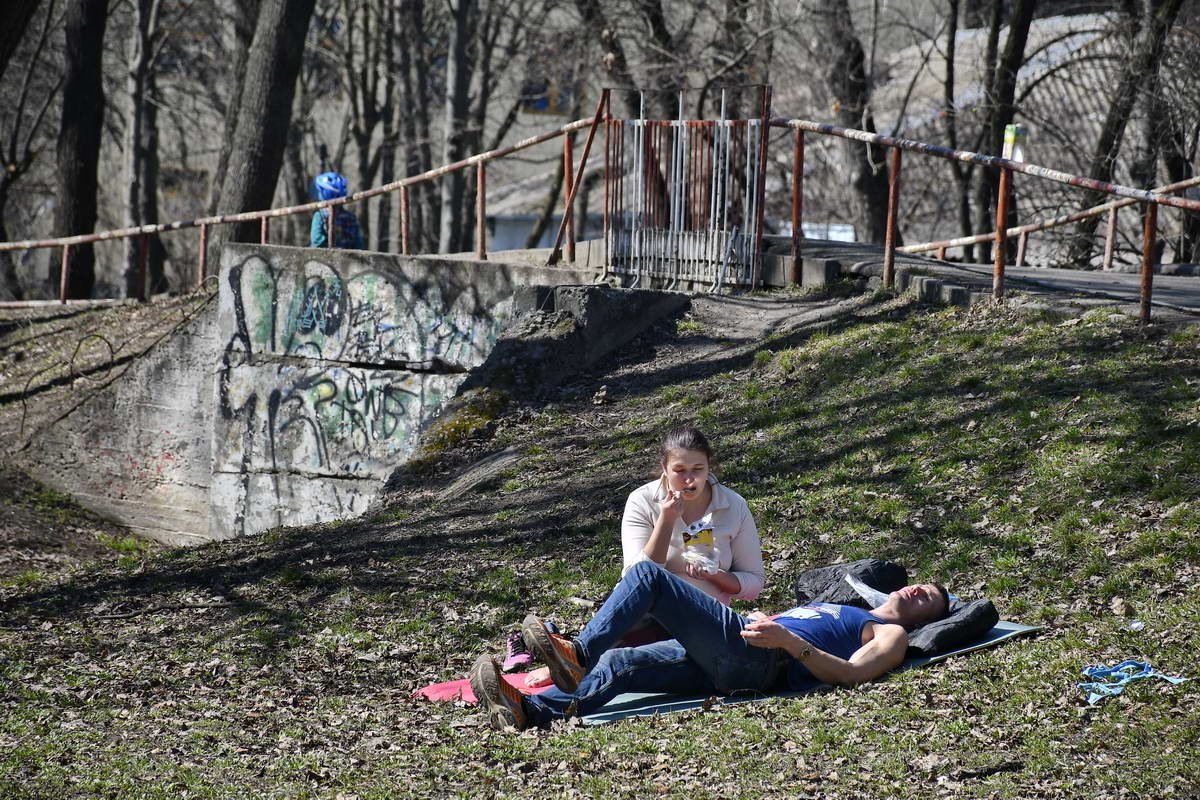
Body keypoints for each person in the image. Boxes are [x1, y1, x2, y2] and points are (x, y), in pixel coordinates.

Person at [470, 560, 950, 731]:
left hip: (763, 663)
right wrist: (771, 623)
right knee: (622, 662)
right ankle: (531, 713)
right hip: (738, 654)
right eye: (919, 584)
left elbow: (852, 675)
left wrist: (788, 641)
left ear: (928, 618)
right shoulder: (846, 607)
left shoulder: (891, 634)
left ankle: (576, 654)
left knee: (649, 577)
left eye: (927, 597)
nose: (917, 590)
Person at [508, 426, 765, 678]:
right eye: (679, 471)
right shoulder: (642, 500)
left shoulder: (733, 506)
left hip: (704, 620)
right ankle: (573, 659)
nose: (689, 480)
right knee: (645, 578)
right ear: (664, 468)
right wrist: (666, 521)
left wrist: (714, 574)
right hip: (647, 619)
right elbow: (635, 577)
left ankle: (576, 657)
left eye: (698, 469)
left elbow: (754, 582)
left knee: (614, 662)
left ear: (709, 466)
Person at [310, 171, 365, 250]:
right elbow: (358, 244)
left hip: (324, 256)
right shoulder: (350, 217)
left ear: (323, 193)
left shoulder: (320, 215)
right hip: (348, 255)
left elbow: (317, 241)